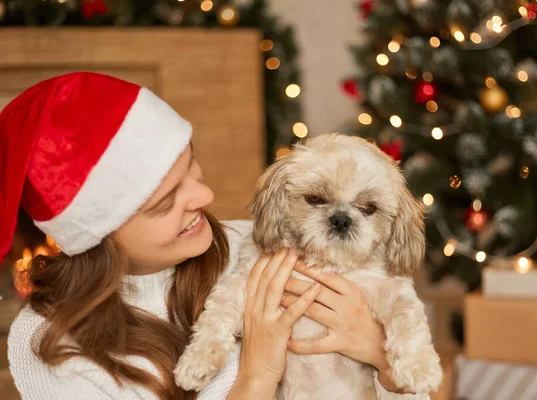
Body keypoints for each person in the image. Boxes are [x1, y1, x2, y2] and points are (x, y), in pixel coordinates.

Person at [1, 72, 430, 399]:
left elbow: (415, 382)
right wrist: (257, 375)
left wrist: (384, 360)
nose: (205, 195)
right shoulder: (50, 346)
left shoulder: (256, 242)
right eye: (165, 202)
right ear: (100, 235)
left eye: (192, 165)